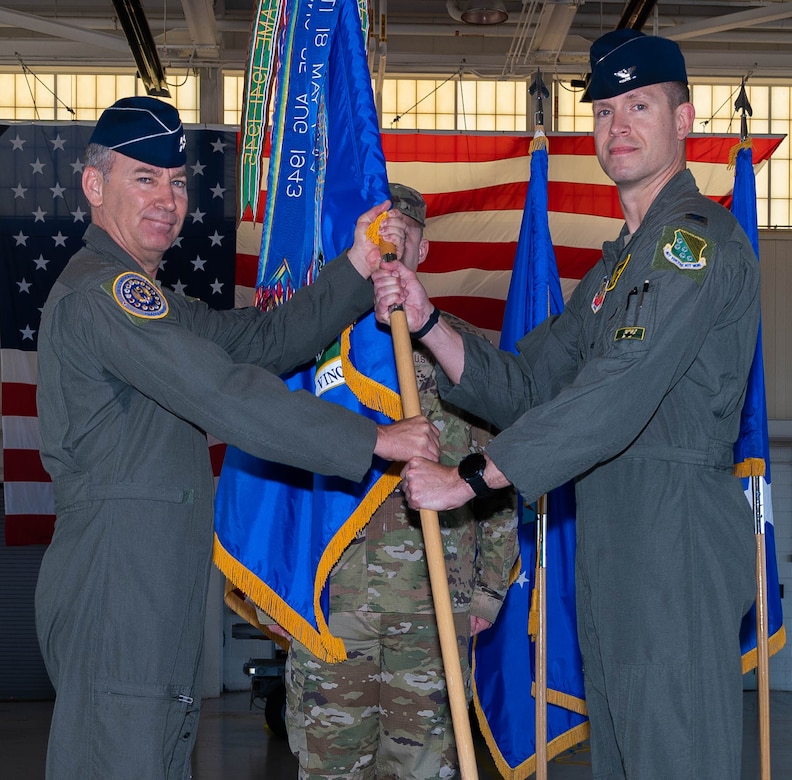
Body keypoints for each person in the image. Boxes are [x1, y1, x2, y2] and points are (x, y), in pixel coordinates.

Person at [372, 31, 760, 780]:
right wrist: (426, 323)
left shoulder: (695, 244)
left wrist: (474, 478)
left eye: (639, 106)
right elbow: (528, 382)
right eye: (606, 110)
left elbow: (620, 386)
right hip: (616, 537)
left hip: (673, 539)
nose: (618, 126)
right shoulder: (619, 266)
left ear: (684, 120)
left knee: (674, 759)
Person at [33, 96, 440, 780]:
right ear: (94, 186)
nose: (168, 198)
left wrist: (356, 266)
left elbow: (257, 342)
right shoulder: (102, 296)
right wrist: (371, 441)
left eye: (178, 181)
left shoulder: (151, 301)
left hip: (152, 576)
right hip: (118, 577)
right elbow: (221, 392)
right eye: (144, 178)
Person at [265, 184, 518, 779]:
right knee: (331, 768)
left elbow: (503, 474)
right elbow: (274, 468)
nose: (391, 240)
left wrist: (486, 593)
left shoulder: (461, 350)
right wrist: (272, 583)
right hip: (333, 608)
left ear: (423, 249)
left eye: (403, 230)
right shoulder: (316, 344)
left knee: (426, 769)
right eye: (379, 229)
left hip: (436, 605)